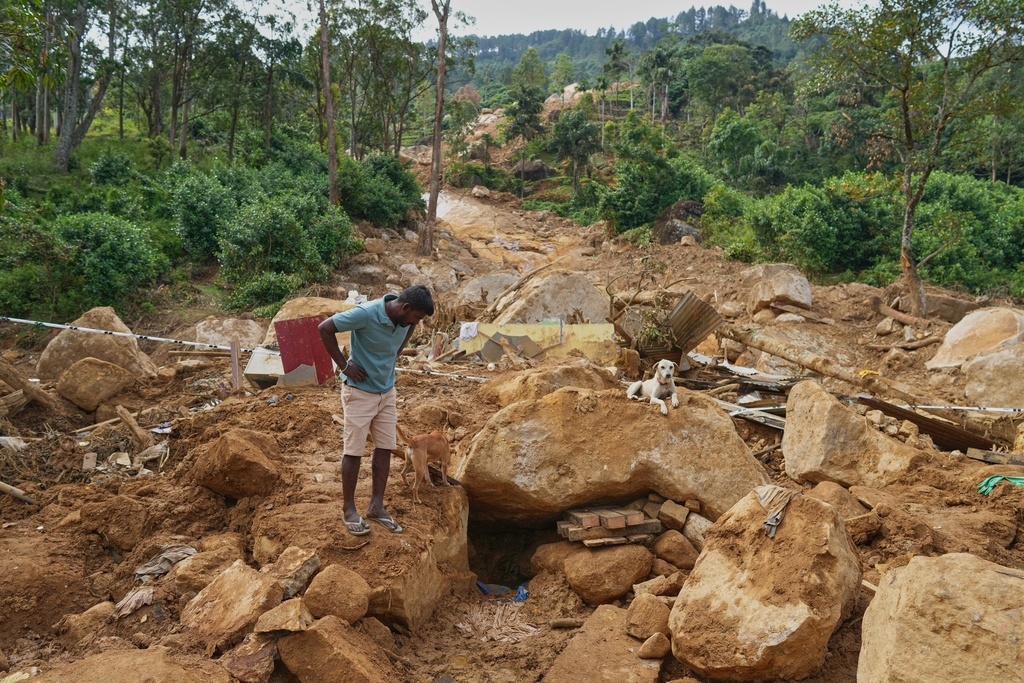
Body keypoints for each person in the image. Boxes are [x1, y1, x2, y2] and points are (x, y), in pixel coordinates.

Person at [318, 285, 434, 536]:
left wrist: (397, 350)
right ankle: (349, 510)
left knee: (384, 447)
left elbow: (408, 328)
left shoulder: (405, 321)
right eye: (416, 317)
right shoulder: (366, 313)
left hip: (387, 392)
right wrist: (343, 366)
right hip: (359, 392)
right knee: (354, 450)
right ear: (405, 308)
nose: (416, 323)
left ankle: (376, 507)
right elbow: (324, 328)